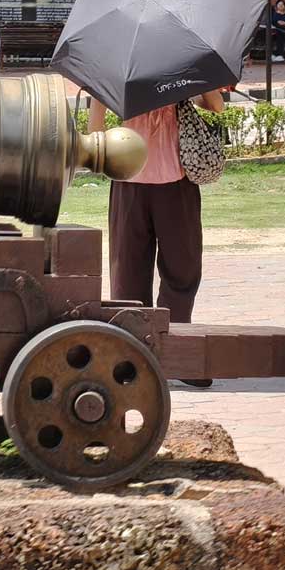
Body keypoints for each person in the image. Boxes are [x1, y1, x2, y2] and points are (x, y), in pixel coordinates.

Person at [88, 90, 223, 386]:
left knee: (156, 272)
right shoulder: (150, 73)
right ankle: (152, 356)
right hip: (152, 183)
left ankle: (151, 356)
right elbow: (217, 106)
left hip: (153, 181)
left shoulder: (153, 74)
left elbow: (218, 107)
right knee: (154, 273)